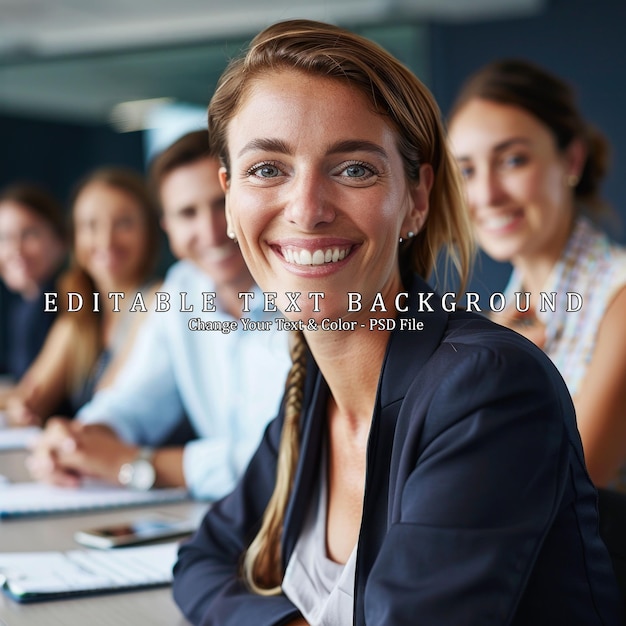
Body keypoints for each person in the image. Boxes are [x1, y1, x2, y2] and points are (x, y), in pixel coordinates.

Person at [172, 20, 621, 626]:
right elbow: (201, 561)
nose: (306, 208)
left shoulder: (487, 384)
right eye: (267, 169)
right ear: (230, 199)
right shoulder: (311, 398)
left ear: (416, 196)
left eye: (354, 168)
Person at [26, 130, 291, 500]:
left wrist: (136, 464)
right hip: (225, 521)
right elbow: (136, 401)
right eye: (187, 213)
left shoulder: (309, 295)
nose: (212, 231)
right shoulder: (183, 289)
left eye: (222, 204)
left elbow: (285, 461)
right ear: (168, 227)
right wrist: (78, 441)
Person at [447, 59, 626, 491]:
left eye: (512, 160)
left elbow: (562, 491)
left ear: (572, 159)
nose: (486, 194)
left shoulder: (619, 301)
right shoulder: (506, 320)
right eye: (467, 170)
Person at [6, 167, 161, 426]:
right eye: (90, 225)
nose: (105, 239)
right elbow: (32, 393)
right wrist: (23, 406)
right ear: (75, 237)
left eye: (123, 223)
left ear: (149, 232)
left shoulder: (157, 299)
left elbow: (110, 405)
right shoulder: (82, 310)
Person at [0, 183, 67, 385]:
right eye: (4, 238)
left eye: (30, 234)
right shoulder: (23, 309)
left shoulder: (63, 304)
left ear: (60, 241)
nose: (16, 249)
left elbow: (33, 391)